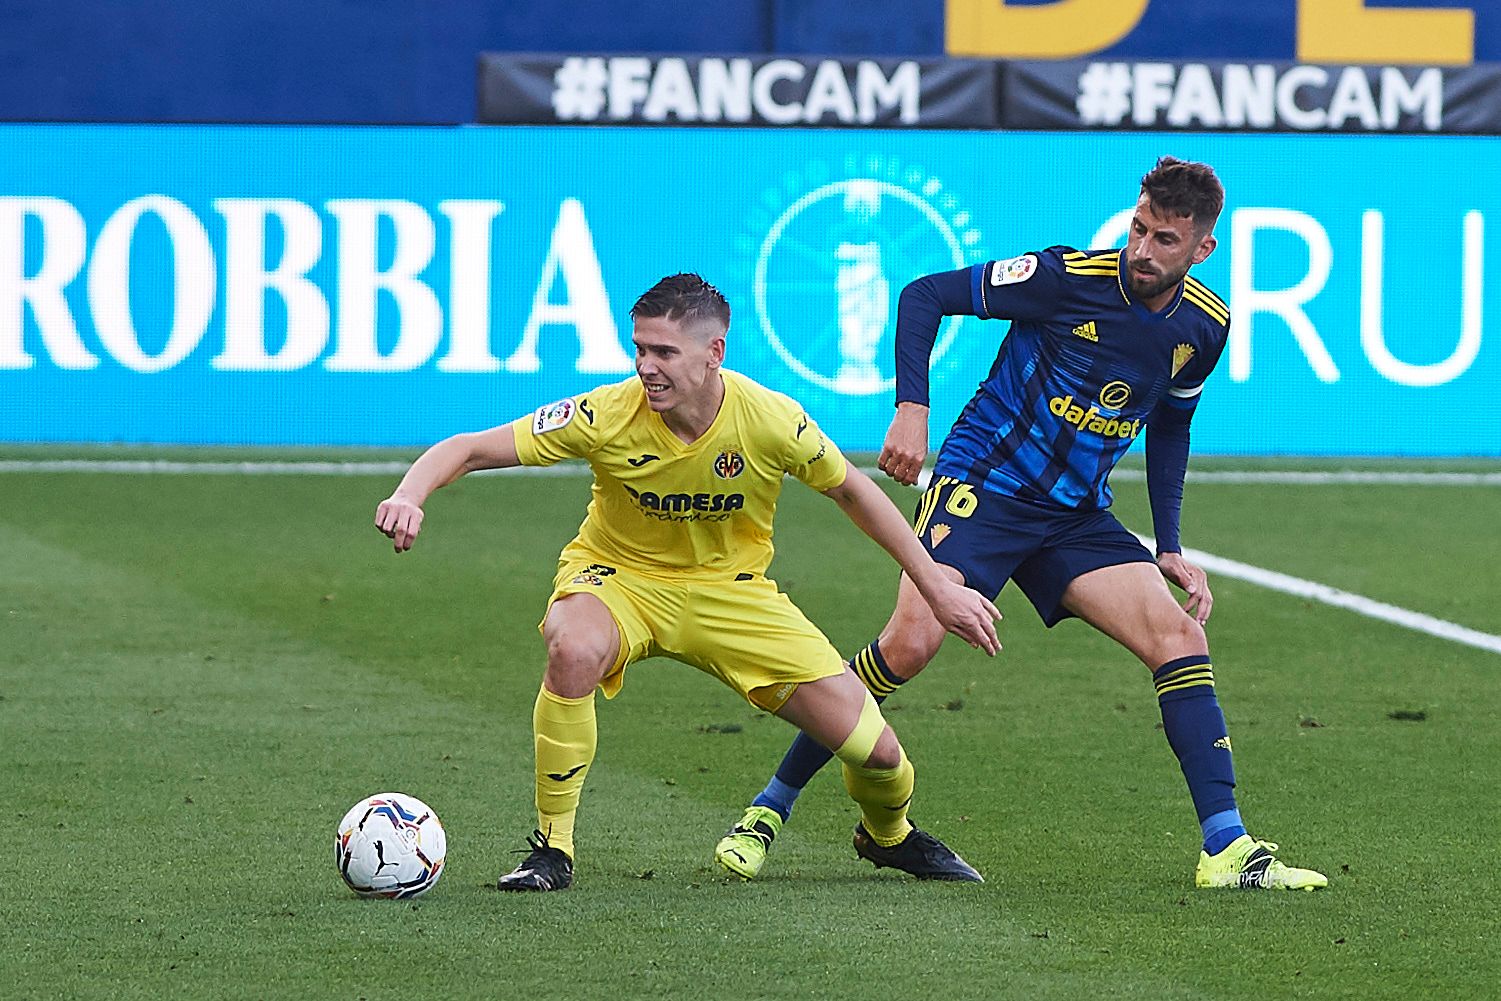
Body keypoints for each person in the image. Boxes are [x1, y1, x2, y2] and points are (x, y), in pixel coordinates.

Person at [714, 158, 1328, 891]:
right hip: (982, 486)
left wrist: (1167, 543)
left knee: (1179, 636)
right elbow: (923, 295)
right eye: (1136, 228)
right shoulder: (1065, 275)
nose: (1141, 249)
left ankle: (1226, 849)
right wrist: (912, 407)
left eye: (1163, 239)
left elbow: (1171, 424)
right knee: (910, 641)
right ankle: (766, 810)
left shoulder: (1205, 322)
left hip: (1071, 515)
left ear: (1201, 248)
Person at [375, 273, 1002, 891]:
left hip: (733, 595)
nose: (647, 367)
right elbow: (468, 448)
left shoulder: (770, 420)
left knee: (881, 756)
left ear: (714, 353)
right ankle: (552, 848)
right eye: (640, 349)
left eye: (665, 352)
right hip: (620, 580)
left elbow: (853, 491)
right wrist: (411, 492)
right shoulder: (604, 414)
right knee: (573, 644)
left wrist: (936, 587)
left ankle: (887, 834)